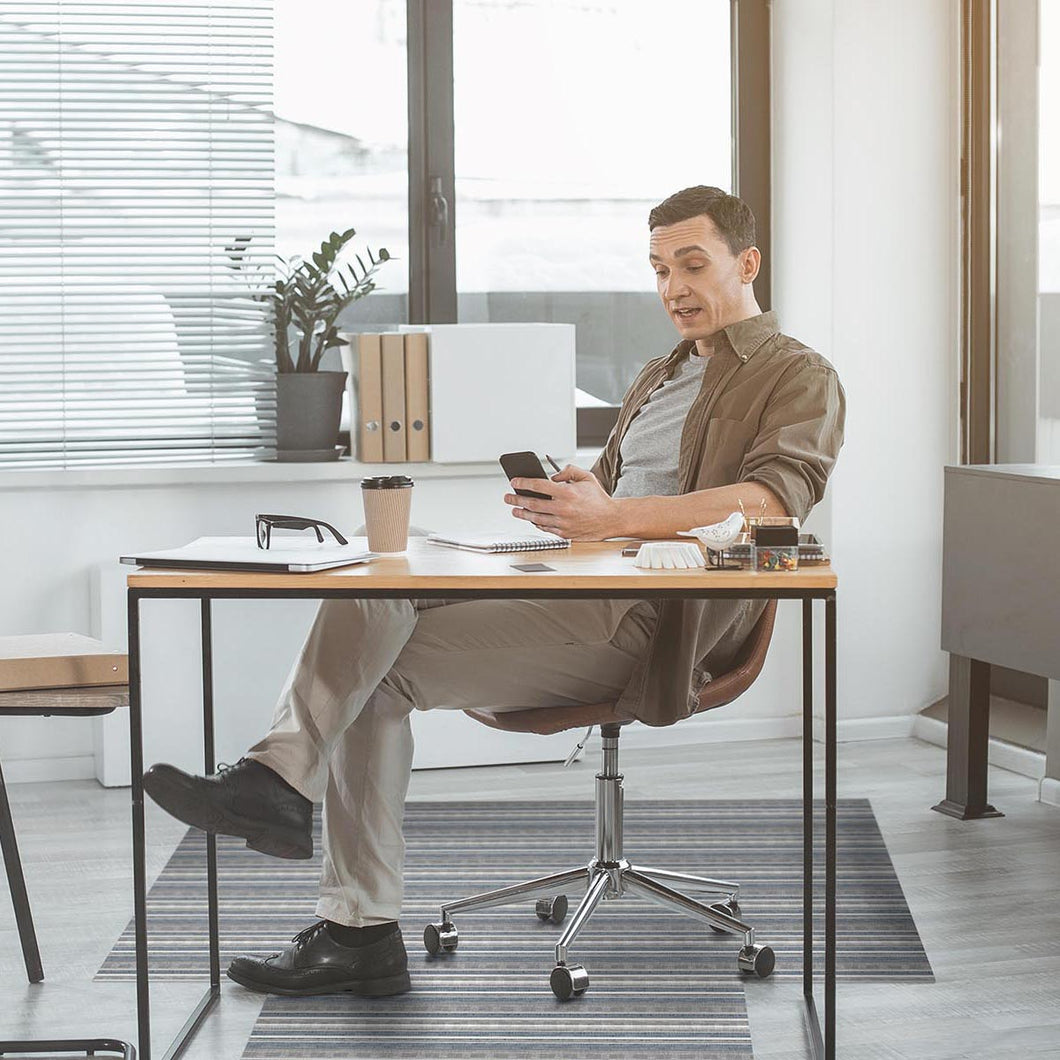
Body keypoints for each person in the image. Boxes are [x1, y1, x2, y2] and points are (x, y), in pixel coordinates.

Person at [142, 185, 845, 999]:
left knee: (372, 672)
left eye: (692, 264)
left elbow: (771, 503)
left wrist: (612, 514)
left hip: (660, 622)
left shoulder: (800, 376)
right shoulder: (661, 374)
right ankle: (287, 805)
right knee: (374, 589)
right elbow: (613, 508)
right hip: (584, 587)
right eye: (657, 269)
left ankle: (346, 914)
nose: (672, 288)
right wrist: (577, 505)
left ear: (747, 262)